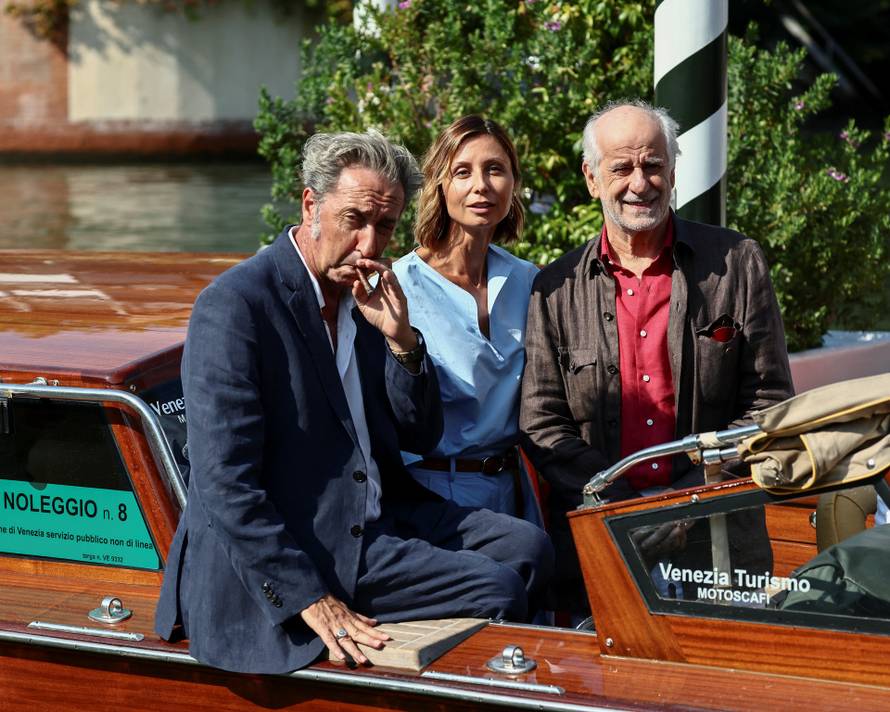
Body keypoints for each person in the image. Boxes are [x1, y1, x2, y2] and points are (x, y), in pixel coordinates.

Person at [155, 129, 553, 674]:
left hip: (380, 516)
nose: (369, 244)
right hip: (310, 543)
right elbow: (224, 482)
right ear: (311, 204)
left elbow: (418, 435)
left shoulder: (365, 299)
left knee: (529, 547)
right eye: (354, 220)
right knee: (497, 586)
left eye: (384, 225)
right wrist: (307, 597)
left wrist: (403, 343)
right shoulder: (236, 305)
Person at [520, 100, 794, 619]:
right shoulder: (553, 288)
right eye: (621, 167)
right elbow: (542, 422)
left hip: (718, 536)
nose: (639, 182)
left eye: (653, 165)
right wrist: (622, 503)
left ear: (673, 170)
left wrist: (684, 503)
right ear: (592, 178)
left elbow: (770, 403)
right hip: (599, 540)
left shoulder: (735, 263)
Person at [392, 115, 542, 526]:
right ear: (440, 184)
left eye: (495, 169)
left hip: (517, 491)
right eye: (463, 172)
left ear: (513, 183)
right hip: (433, 491)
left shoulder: (529, 281)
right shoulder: (397, 286)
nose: (481, 185)